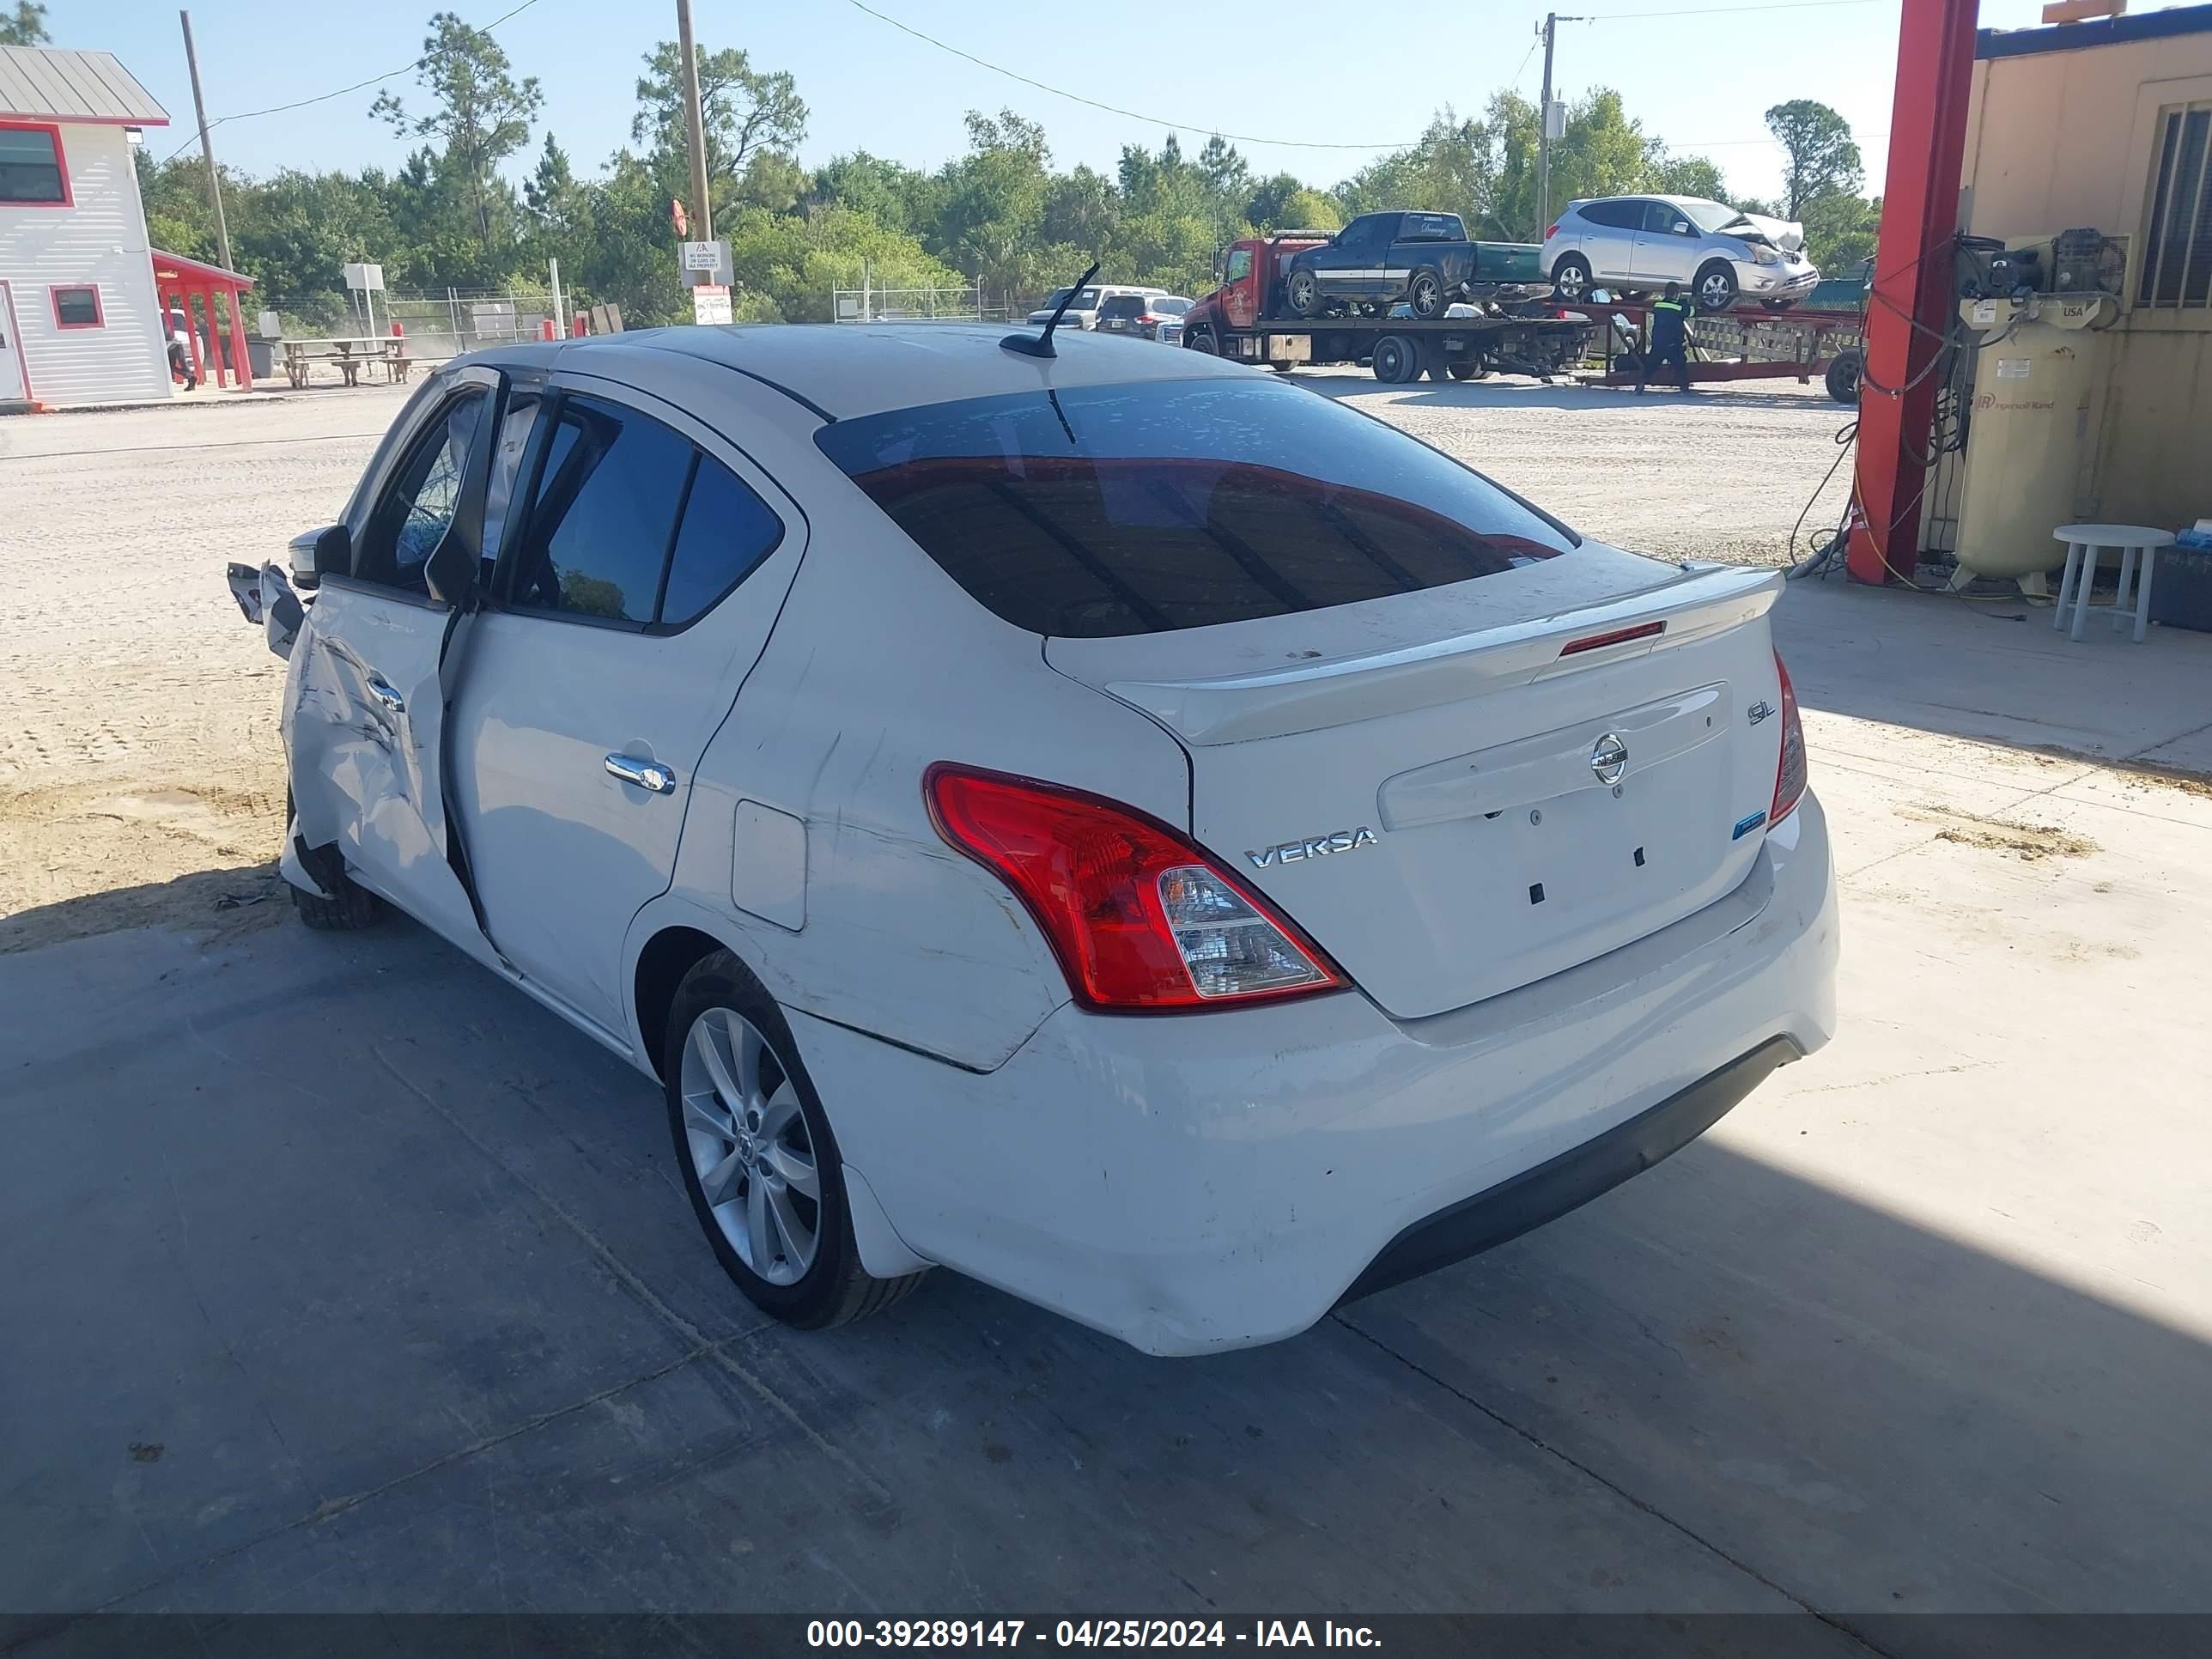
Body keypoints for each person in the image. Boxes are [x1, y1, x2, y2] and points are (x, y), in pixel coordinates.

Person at [1638, 281, 1695, 394]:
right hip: (1673, 344)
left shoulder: (1658, 305)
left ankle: (1640, 386)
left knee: (1650, 366)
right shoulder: (1679, 307)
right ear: (1677, 294)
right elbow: (1691, 312)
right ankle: (1684, 390)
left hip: (1658, 343)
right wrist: (1687, 303)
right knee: (1680, 367)